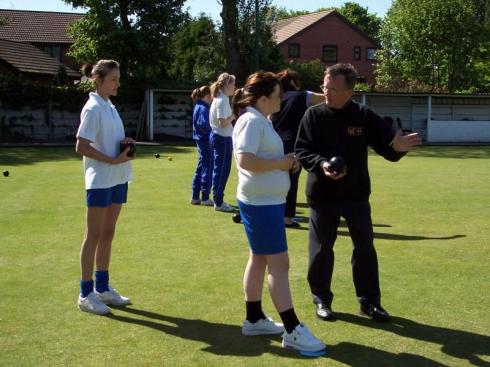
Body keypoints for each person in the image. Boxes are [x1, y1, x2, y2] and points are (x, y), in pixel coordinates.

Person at [295, 63, 421, 322]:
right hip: (322, 195)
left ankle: (370, 303)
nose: (325, 91)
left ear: (349, 92)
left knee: (364, 248)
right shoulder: (313, 115)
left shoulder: (363, 115)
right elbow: (302, 151)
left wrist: (398, 147)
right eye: (324, 86)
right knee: (321, 250)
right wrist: (322, 165)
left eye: (331, 88)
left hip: (356, 195)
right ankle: (322, 301)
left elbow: (388, 149)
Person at [232, 71, 326, 355]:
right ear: (263, 98)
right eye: (277, 95)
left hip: (265, 202)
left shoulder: (261, 119)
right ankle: (292, 328)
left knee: (259, 259)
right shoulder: (251, 120)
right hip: (261, 205)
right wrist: (280, 164)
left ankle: (254, 318)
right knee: (279, 264)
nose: (282, 99)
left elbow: (262, 157)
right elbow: (245, 159)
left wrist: (287, 163)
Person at [75, 60, 134, 315]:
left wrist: (124, 144)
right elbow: (81, 146)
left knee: (108, 233)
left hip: (118, 177)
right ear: (98, 80)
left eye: (118, 79)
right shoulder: (93, 108)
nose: (117, 83)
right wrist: (112, 160)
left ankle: (102, 287)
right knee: (93, 236)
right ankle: (85, 293)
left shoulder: (110, 106)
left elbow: (107, 140)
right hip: (100, 180)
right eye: (113, 79)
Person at [270, 69, 324, 228]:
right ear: (293, 82)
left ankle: (273, 212)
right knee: (292, 179)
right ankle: (287, 217)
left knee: (275, 178)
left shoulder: (277, 98)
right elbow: (326, 98)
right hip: (293, 143)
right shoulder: (303, 95)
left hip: (275, 141)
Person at [209, 73, 236, 212]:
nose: (234, 87)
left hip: (220, 137)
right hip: (222, 138)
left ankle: (218, 200)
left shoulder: (220, 98)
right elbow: (223, 122)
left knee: (220, 170)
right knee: (221, 171)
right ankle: (218, 202)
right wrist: (234, 115)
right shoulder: (222, 100)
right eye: (233, 84)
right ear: (226, 84)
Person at [190, 86, 214, 206]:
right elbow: (204, 125)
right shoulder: (203, 108)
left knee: (201, 167)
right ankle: (205, 197)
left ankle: (195, 196)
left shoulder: (198, 107)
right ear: (208, 96)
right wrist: (213, 134)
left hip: (201, 141)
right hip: (205, 142)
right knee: (207, 168)